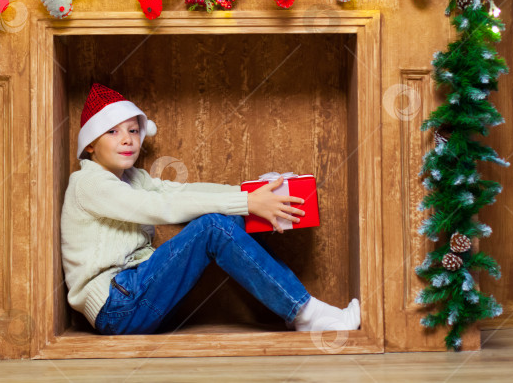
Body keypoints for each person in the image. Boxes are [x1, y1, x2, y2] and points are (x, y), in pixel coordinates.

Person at [61, 83, 361, 335]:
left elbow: (183, 192)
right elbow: (159, 206)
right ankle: (306, 315)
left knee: (225, 218)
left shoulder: (134, 178)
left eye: (133, 130)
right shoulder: (88, 183)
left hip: (135, 293)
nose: (127, 139)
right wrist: (247, 202)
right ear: (89, 144)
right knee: (213, 226)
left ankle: (298, 310)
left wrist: (250, 195)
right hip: (117, 308)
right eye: (112, 132)